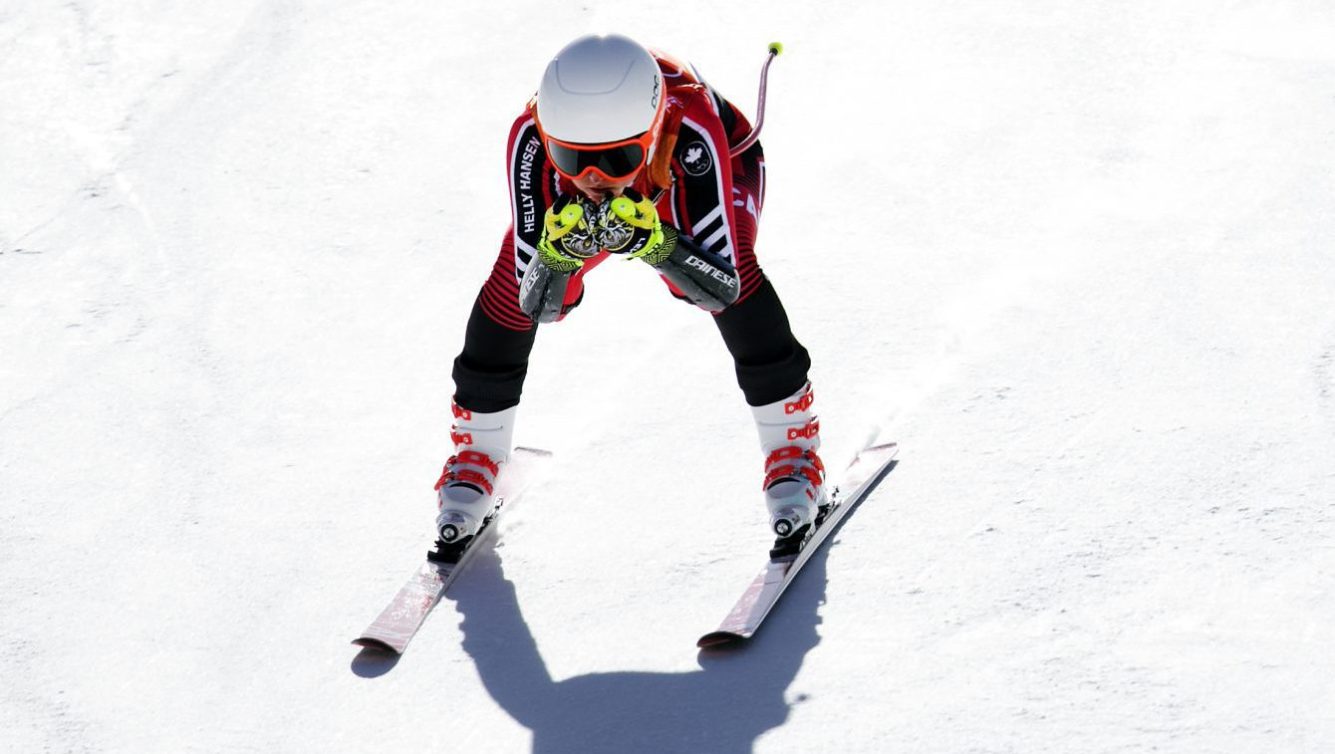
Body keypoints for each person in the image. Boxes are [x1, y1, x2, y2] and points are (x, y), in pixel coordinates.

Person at [435, 34, 825, 557]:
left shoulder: (688, 130)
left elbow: (719, 286)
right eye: (571, 157)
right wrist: (559, 258)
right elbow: (541, 305)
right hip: (630, 184)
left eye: (615, 158)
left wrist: (658, 245)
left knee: (741, 286)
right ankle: (476, 453)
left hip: (691, 175)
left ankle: (793, 447)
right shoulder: (529, 141)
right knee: (511, 283)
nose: (593, 180)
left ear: (648, 131)